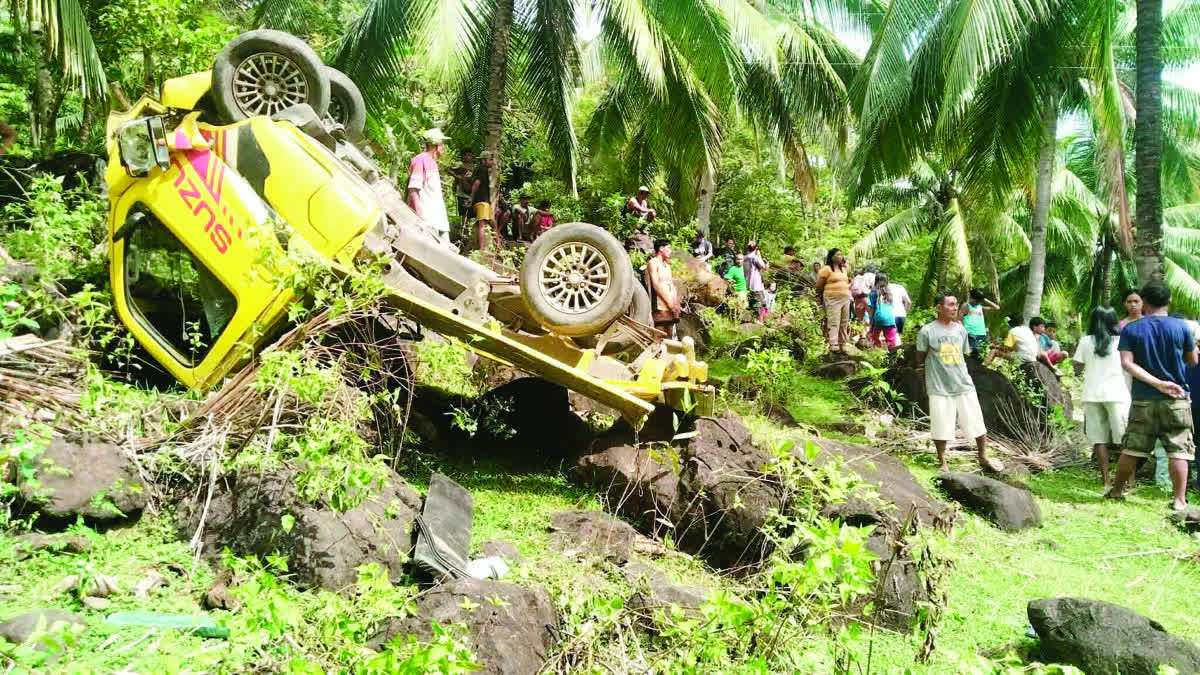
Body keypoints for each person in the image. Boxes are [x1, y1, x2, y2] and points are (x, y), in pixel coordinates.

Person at [1107, 283, 1198, 511]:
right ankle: (1179, 500)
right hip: (1176, 398)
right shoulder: (1182, 328)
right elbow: (1192, 360)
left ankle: (1117, 491)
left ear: (1144, 302)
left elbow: (1127, 364)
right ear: (1169, 302)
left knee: (1133, 448)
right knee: (1179, 449)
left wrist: (1156, 383)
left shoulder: (1131, 329)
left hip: (1143, 398)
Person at [915, 293, 1001, 473]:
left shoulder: (960, 330)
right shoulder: (927, 331)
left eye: (956, 305)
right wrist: (924, 381)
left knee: (976, 420)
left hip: (963, 384)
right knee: (941, 425)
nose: (955, 308)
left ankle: (983, 457)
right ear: (939, 307)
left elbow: (963, 355)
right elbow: (920, 360)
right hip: (939, 386)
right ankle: (942, 462)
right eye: (951, 305)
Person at [1072, 307, 1131, 487]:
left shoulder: (1085, 341)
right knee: (1125, 442)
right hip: (1118, 395)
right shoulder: (1122, 341)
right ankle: (1129, 482)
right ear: (1114, 321)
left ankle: (1106, 480)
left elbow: (1077, 368)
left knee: (1099, 440)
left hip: (1092, 394)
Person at [407, 128, 451, 243]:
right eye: (442, 144)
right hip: (427, 220)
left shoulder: (432, 162)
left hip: (437, 219)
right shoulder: (420, 160)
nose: (444, 147)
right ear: (436, 145)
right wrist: (421, 217)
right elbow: (413, 189)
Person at [815, 248, 852, 353]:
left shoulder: (843, 269)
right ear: (832, 257)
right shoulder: (826, 269)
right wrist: (820, 297)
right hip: (832, 299)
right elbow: (818, 285)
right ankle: (833, 344)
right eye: (838, 255)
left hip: (845, 299)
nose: (840, 256)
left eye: (841, 254)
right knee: (834, 321)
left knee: (844, 322)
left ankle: (843, 343)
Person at [646, 239, 681, 335]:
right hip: (659, 304)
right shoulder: (653, 262)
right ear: (661, 248)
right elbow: (656, 284)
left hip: (670, 306)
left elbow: (671, 285)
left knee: (669, 335)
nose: (670, 251)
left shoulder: (667, 266)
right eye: (668, 248)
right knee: (659, 335)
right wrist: (669, 303)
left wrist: (675, 303)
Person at [470, 151, 498, 252]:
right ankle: (482, 249)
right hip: (482, 201)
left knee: (493, 223)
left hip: (485, 201)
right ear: (483, 160)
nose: (492, 162)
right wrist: (471, 198)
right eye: (490, 159)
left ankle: (498, 245)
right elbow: (476, 184)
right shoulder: (482, 169)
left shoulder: (482, 170)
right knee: (482, 224)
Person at [961, 288, 999, 355]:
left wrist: (984, 299)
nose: (978, 302)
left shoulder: (980, 307)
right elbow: (959, 320)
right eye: (977, 301)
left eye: (979, 301)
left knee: (980, 356)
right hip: (971, 334)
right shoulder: (966, 306)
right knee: (971, 355)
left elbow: (996, 308)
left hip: (981, 334)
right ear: (971, 298)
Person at [868, 273, 900, 350]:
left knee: (875, 337)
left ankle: (877, 352)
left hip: (878, 318)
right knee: (891, 341)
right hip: (890, 319)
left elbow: (872, 309)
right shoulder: (890, 292)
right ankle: (892, 356)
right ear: (887, 281)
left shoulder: (873, 292)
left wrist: (871, 323)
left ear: (876, 281)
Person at [451, 149, 476, 235]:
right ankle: (463, 232)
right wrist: (457, 179)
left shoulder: (475, 168)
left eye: (470, 155)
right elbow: (450, 171)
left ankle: (467, 231)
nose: (468, 157)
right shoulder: (459, 166)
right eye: (466, 155)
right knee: (463, 213)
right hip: (461, 193)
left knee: (470, 214)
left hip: (471, 193)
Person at [743, 241, 768, 321]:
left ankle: (750, 320)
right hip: (756, 286)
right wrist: (760, 256)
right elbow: (764, 268)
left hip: (747, 285)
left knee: (750, 304)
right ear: (756, 248)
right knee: (760, 304)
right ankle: (759, 322)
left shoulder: (744, 257)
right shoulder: (755, 257)